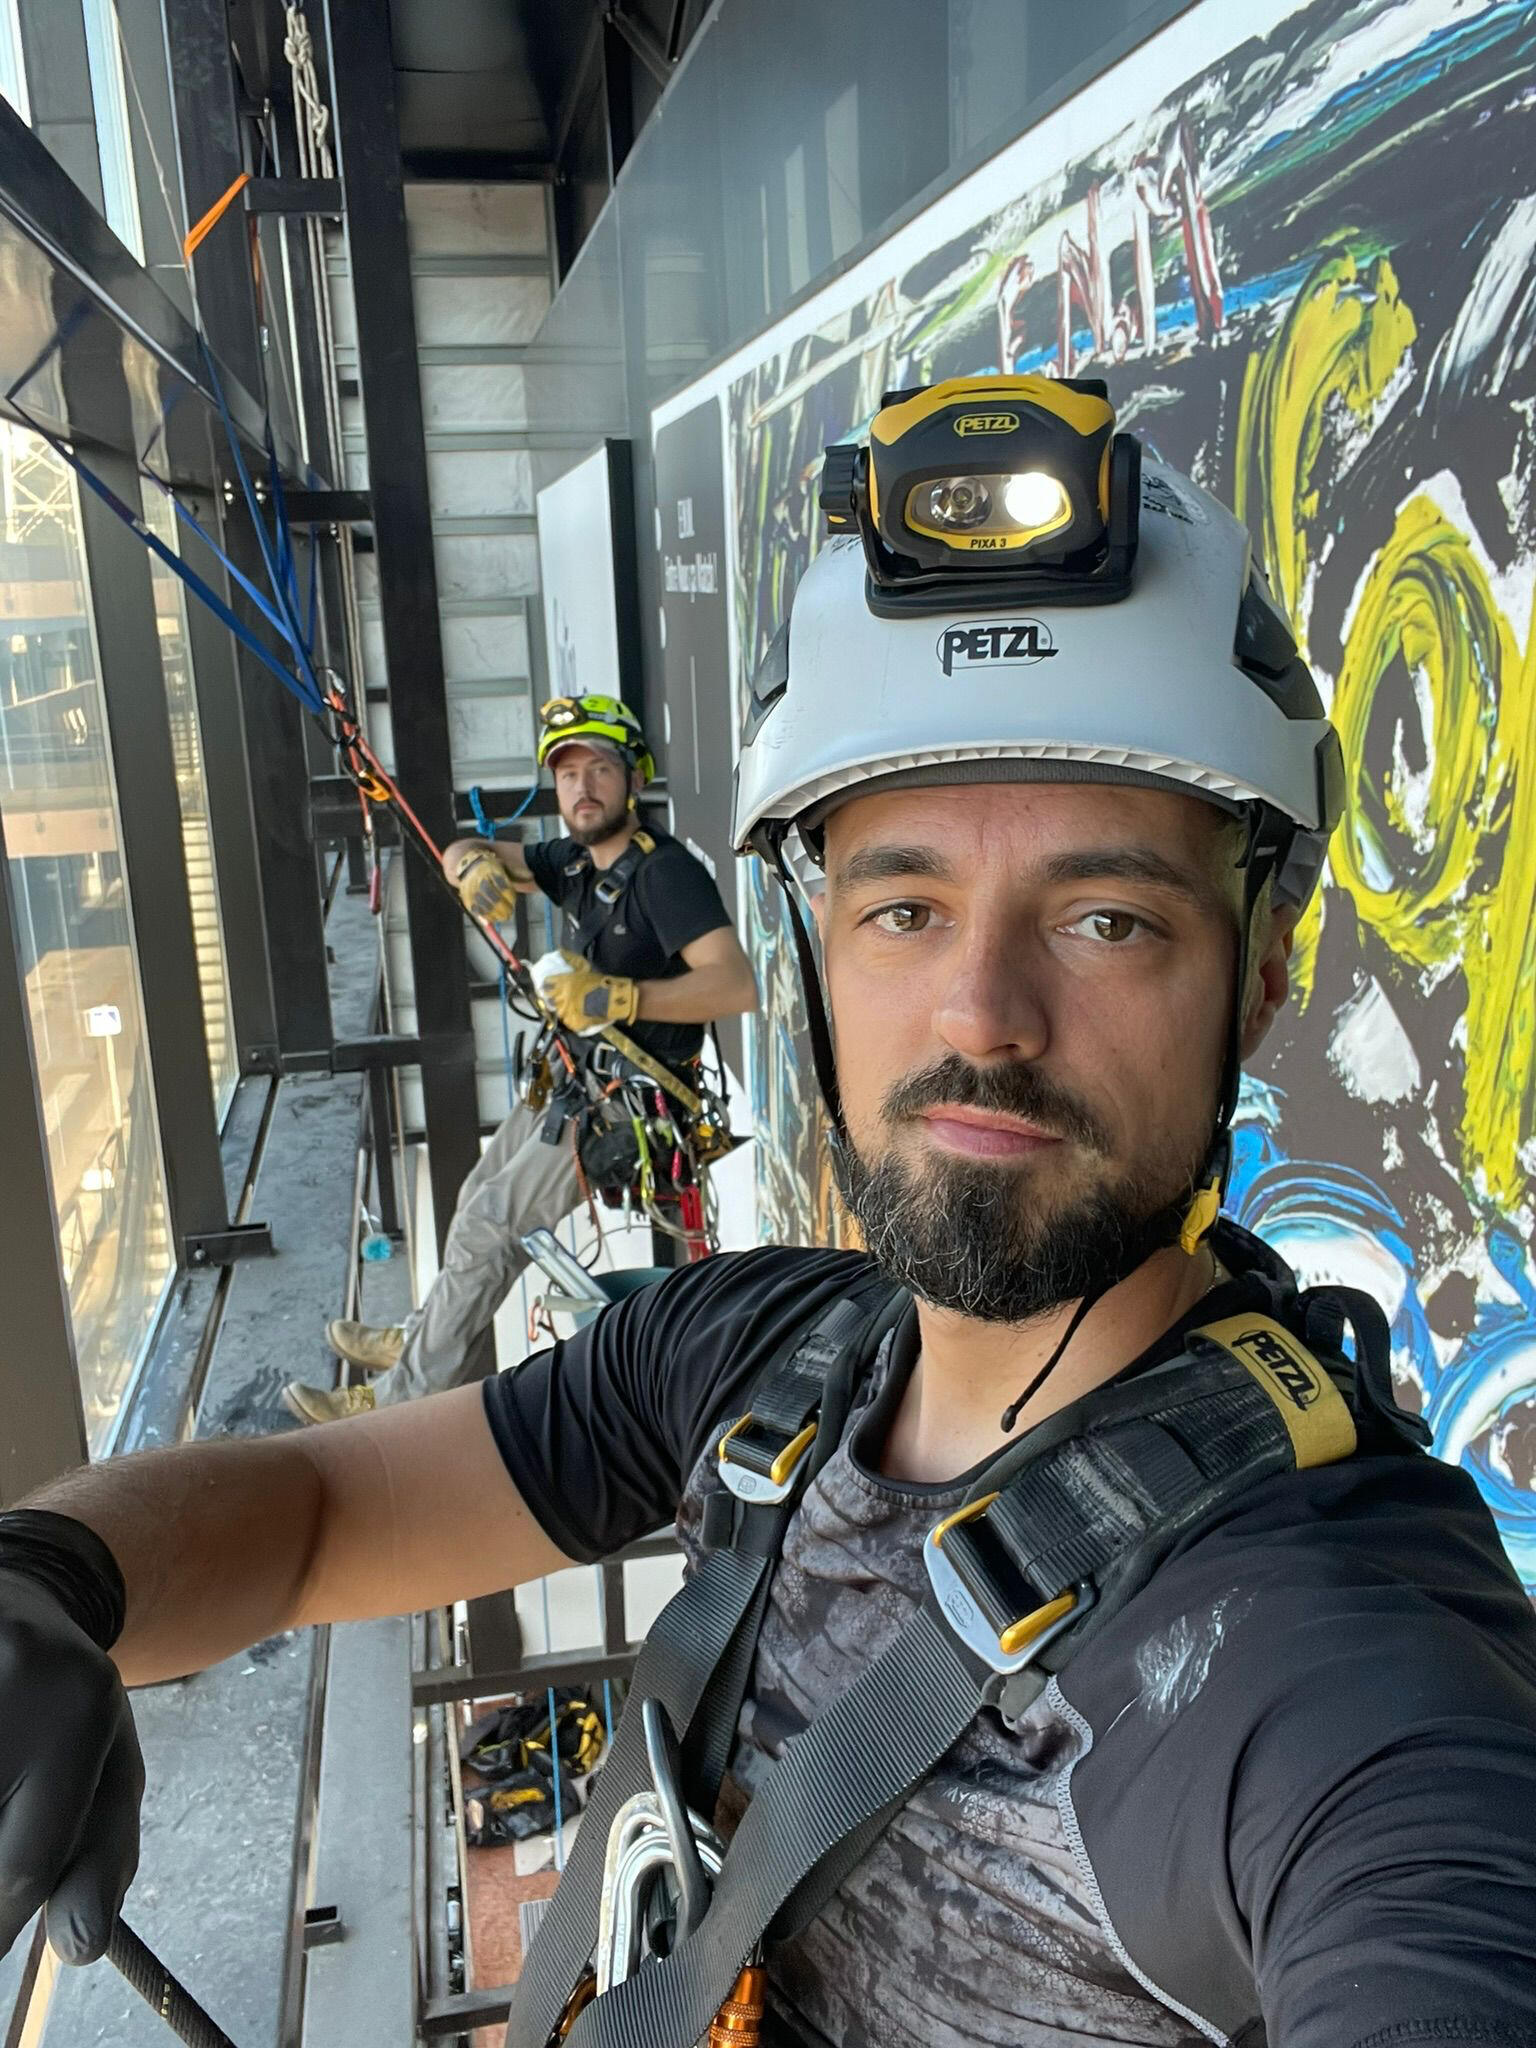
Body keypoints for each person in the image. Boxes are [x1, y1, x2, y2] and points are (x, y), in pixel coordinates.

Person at [3, 378, 1535, 2048]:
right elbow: (313, 1510)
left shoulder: (1339, 1663)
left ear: (1260, 977)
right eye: (904, 906)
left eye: (1105, 917)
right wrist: (54, 1576)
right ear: (823, 951)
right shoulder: (757, 1356)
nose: (980, 1015)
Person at [283, 693, 756, 1423]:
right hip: (576, 1081)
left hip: (629, 1103)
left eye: (599, 770)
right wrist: (473, 865)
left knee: (491, 1225)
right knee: (477, 1196)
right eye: (567, 775)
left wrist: (621, 998)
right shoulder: (575, 859)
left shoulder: (665, 876)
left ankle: (396, 1401)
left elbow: (735, 984)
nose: (582, 788)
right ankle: (425, 1341)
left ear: (634, 777)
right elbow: (459, 848)